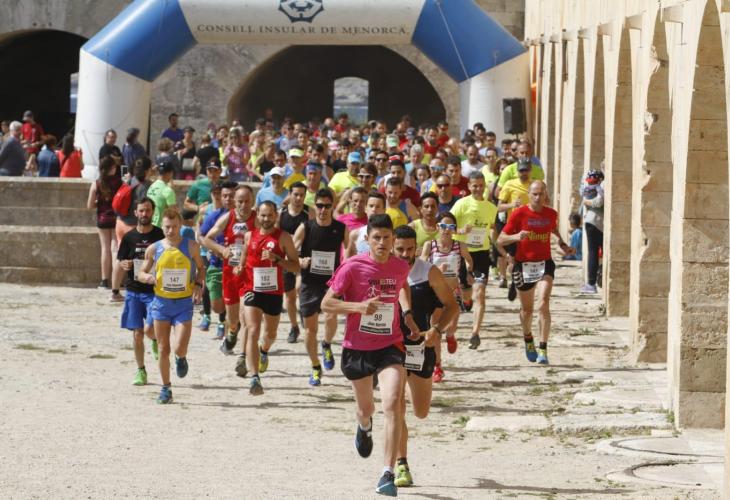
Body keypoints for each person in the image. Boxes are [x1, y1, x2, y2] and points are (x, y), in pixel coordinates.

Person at [320, 214, 415, 497]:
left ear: (393, 239)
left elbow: (402, 288)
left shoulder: (400, 266)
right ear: (367, 239)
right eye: (377, 238)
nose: (382, 242)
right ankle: (364, 426)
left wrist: (407, 314)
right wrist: (359, 307)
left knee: (393, 402)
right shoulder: (352, 266)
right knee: (366, 409)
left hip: (390, 344)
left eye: (387, 237)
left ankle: (387, 473)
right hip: (358, 347)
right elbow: (327, 304)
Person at [392, 225, 458, 488]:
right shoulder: (382, 271)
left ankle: (410, 389)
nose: (405, 254)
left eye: (410, 249)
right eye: (400, 249)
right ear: (392, 246)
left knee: (420, 411)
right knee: (395, 406)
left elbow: (452, 305)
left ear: (416, 248)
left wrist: (437, 330)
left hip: (420, 348)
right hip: (390, 349)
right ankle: (401, 464)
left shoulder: (427, 272)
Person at [496, 181, 575, 365]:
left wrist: (563, 245)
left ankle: (543, 349)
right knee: (527, 310)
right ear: (529, 195)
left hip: (545, 264)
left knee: (543, 303)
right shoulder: (519, 213)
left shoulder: (551, 214)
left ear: (546, 194)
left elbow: (553, 229)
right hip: (523, 265)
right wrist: (516, 236)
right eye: (535, 194)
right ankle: (528, 338)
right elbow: (500, 240)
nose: (538, 197)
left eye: (541, 194)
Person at [137, 208, 205, 403]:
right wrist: (148, 277)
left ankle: (181, 358)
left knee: (179, 347)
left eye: (174, 227)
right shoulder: (154, 248)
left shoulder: (191, 246)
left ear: (180, 226)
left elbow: (201, 268)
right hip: (161, 304)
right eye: (167, 227)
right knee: (163, 348)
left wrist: (198, 285)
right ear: (162, 226)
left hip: (183, 304)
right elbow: (140, 272)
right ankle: (166, 388)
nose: (171, 231)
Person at [235, 201, 300, 395]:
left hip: (273, 292)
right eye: (263, 215)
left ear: (275, 216)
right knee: (253, 329)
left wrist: (277, 259)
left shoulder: (284, 238)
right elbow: (243, 259)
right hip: (252, 290)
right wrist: (239, 268)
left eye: (270, 215)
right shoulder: (249, 236)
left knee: (270, 334)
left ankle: (264, 350)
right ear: (257, 216)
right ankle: (255, 378)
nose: (266, 219)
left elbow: (296, 266)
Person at [293, 189, 349, 386]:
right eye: (319, 206)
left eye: (327, 206)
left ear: (332, 207)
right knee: (310, 330)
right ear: (314, 206)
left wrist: (346, 269)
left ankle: (327, 344)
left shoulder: (341, 228)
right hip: (309, 282)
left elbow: (349, 252)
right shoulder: (306, 227)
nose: (323, 210)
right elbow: (291, 251)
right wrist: (300, 261)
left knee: (331, 316)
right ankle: (315, 366)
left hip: (332, 283)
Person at [201, 185, 257, 377]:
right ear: (235, 201)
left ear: (252, 200)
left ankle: (243, 357)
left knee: (246, 315)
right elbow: (206, 238)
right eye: (240, 201)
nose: (244, 205)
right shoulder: (228, 217)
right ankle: (232, 331)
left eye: (247, 201)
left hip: (249, 274)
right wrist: (222, 249)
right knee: (233, 319)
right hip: (230, 273)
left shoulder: (258, 218)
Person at [117, 197, 164, 385]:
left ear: (153, 212)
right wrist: (124, 263)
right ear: (136, 213)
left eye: (148, 210)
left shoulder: (160, 235)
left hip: (154, 291)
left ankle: (154, 340)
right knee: (137, 333)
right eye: (141, 211)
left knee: (150, 329)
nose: (144, 214)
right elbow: (121, 260)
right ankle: (141, 370)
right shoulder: (129, 237)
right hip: (134, 290)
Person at [421, 212, 473, 381]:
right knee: (435, 328)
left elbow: (469, 260)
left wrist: (469, 272)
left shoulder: (460, 246)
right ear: (437, 227)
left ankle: (450, 335)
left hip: (453, 291)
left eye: (451, 226)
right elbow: (421, 264)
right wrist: (435, 271)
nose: (446, 230)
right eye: (443, 226)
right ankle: (437, 367)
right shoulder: (430, 245)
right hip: (435, 292)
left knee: (451, 326)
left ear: (454, 229)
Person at [450, 171, 498, 349]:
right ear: (469, 186)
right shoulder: (461, 204)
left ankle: (475, 333)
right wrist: (461, 231)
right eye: (474, 186)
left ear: (485, 186)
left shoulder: (491, 207)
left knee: (480, 293)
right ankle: (466, 300)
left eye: (481, 185)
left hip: (481, 255)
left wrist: (499, 247)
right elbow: (447, 226)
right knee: (466, 291)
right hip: (462, 253)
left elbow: (492, 228)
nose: (478, 189)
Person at [198, 181, 238, 339]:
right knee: (217, 306)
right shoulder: (214, 216)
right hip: (217, 265)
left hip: (238, 268)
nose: (228, 199)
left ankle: (228, 328)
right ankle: (225, 320)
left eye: (231, 196)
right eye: (225, 196)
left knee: (234, 304)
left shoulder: (247, 217)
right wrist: (214, 248)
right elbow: (201, 236)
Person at [111, 157, 153, 301]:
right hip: (133, 226)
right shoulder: (147, 186)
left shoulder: (129, 181)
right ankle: (138, 290)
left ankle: (115, 291)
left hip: (120, 223)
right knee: (139, 258)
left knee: (121, 256)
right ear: (147, 170)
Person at [277, 182, 309, 343]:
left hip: (303, 258)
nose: (298, 198)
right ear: (289, 195)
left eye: (302, 195)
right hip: (286, 259)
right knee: (289, 297)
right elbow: (275, 235)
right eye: (295, 194)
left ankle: (303, 309)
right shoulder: (281, 213)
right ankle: (294, 327)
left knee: (299, 288)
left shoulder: (309, 213)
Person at [87, 156, 123, 288]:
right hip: (115, 219)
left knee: (105, 249)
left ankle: (104, 280)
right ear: (112, 168)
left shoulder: (96, 183)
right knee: (115, 249)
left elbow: (89, 205)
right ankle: (116, 281)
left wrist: (99, 203)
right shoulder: (119, 183)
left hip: (102, 219)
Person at [497, 159, 533, 291]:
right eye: (521, 170)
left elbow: (545, 203)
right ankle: (513, 282)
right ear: (517, 171)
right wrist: (512, 205)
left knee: (528, 258)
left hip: (530, 227)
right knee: (512, 258)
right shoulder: (509, 184)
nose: (524, 173)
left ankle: (525, 283)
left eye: (526, 170)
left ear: (530, 170)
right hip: (514, 228)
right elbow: (499, 207)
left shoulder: (534, 186)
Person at [581, 170, 604, 293]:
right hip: (595, 222)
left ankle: (592, 283)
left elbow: (598, 202)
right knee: (594, 252)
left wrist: (586, 202)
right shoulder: (598, 187)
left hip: (594, 222)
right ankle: (591, 283)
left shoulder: (591, 187)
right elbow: (599, 202)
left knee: (594, 253)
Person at [346, 192, 386, 258]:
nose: (374, 209)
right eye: (371, 206)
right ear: (365, 208)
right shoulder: (355, 234)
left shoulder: (389, 236)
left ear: (384, 210)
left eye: (378, 207)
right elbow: (346, 261)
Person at [147, 160, 176, 228]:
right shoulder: (168, 190)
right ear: (169, 173)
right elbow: (173, 214)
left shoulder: (151, 187)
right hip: (159, 228)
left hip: (148, 225)